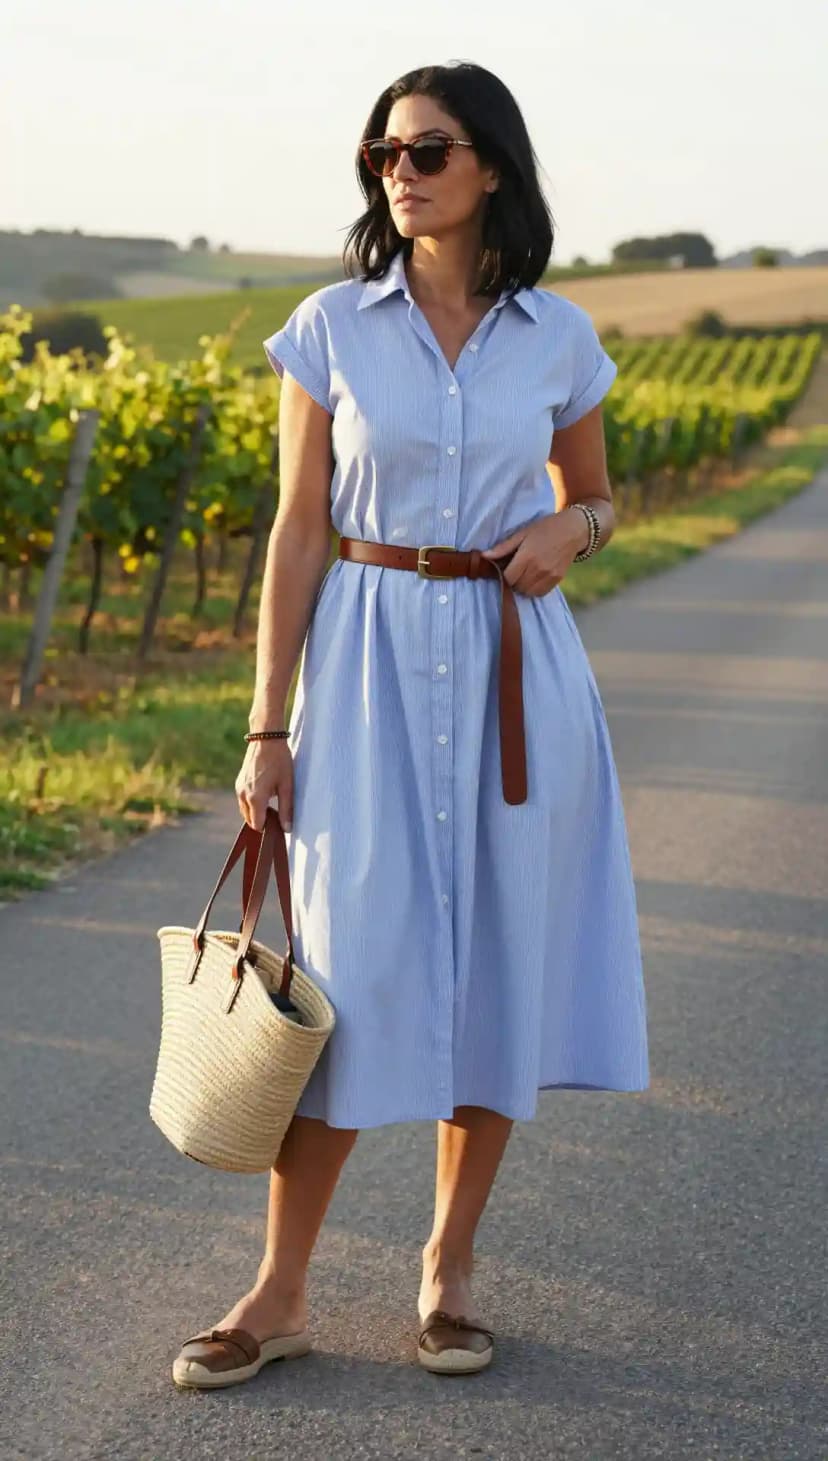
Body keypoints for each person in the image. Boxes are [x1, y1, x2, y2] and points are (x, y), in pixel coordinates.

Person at [172, 59, 649, 1389]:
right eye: (387, 151)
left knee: (497, 968)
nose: (404, 169)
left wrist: (572, 524)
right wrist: (267, 730)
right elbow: (297, 528)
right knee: (340, 979)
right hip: (366, 664)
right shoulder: (332, 324)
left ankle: (448, 1267)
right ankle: (278, 1291)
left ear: (491, 165)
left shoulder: (558, 334)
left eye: (431, 149)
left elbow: (602, 495)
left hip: (514, 673)